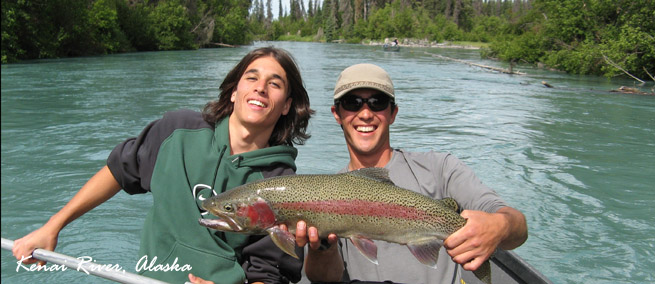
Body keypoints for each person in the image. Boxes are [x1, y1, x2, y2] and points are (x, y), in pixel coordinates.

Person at [12, 47, 314, 284]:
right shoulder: (176, 131)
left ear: (287, 105)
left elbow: (267, 274)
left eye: (274, 84)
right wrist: (53, 226)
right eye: (252, 77)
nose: (260, 87)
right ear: (234, 91)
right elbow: (119, 171)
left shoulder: (282, 182)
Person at [297, 63, 528, 283]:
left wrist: (500, 226)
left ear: (393, 113)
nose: (365, 114)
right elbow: (324, 279)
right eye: (352, 102)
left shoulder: (440, 168)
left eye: (377, 102)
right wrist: (322, 248)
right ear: (336, 113)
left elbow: (518, 228)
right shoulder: (325, 197)